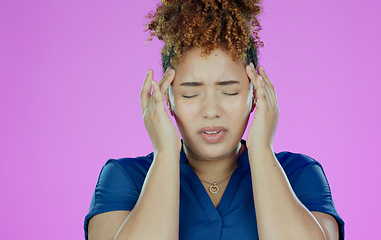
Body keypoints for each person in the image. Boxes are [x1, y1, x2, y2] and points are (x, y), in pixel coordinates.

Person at [84, 0, 344, 239]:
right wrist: (165, 152)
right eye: (191, 93)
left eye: (229, 91)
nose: (211, 110)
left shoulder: (299, 173)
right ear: (167, 100)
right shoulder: (125, 178)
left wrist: (261, 149)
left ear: (256, 94)